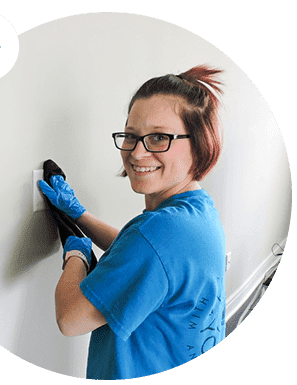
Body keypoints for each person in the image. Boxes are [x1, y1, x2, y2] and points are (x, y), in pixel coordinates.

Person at [39, 65, 226, 380]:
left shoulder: (158, 233)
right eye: (131, 135)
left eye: (158, 137)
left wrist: (77, 256)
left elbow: (70, 319)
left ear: (198, 143)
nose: (138, 152)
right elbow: (140, 258)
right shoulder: (196, 212)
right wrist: (79, 215)